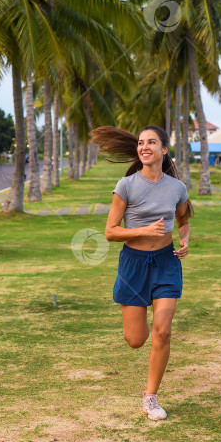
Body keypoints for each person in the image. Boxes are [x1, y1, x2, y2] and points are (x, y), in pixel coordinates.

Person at [89, 125, 194, 421]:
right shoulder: (126, 185)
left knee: (163, 330)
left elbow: (184, 220)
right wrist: (143, 230)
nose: (144, 147)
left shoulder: (177, 188)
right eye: (140, 143)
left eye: (151, 142)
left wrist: (184, 240)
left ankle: (150, 398)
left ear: (163, 149)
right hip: (133, 264)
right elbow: (110, 232)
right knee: (136, 339)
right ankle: (140, 316)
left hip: (166, 262)